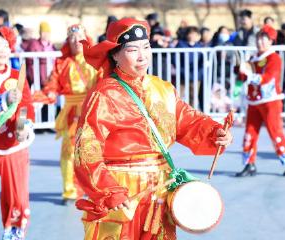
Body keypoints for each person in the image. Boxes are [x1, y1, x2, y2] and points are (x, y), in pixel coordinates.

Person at [75, 18, 233, 239]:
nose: (142, 56)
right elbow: (86, 149)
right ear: (115, 55)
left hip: (160, 189)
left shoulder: (162, 88)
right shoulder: (104, 94)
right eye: (132, 49)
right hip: (124, 194)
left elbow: (187, 120)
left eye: (146, 47)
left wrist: (214, 132)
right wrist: (110, 192)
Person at [33, 24, 98, 204]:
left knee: (93, 151)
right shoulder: (62, 63)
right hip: (71, 113)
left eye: (80, 38)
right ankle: (70, 190)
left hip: (93, 111)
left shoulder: (95, 60)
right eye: (72, 38)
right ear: (68, 41)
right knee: (68, 152)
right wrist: (50, 93)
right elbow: (52, 84)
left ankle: (93, 189)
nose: (77, 42)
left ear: (87, 38)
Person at [0, 29, 35, 240]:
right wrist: (3, 99)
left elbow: (25, 106)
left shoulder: (17, 76)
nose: (4, 50)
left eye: (7, 46)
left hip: (14, 149)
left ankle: (13, 236)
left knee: (17, 200)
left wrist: (23, 126)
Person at [235, 25, 285, 177]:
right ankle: (249, 164)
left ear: (271, 41)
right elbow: (243, 78)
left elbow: (268, 78)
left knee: (275, 132)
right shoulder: (254, 58)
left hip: (270, 101)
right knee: (249, 133)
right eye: (258, 38)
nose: (260, 41)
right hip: (254, 102)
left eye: (264, 38)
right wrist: (240, 70)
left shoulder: (273, 58)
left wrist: (249, 75)